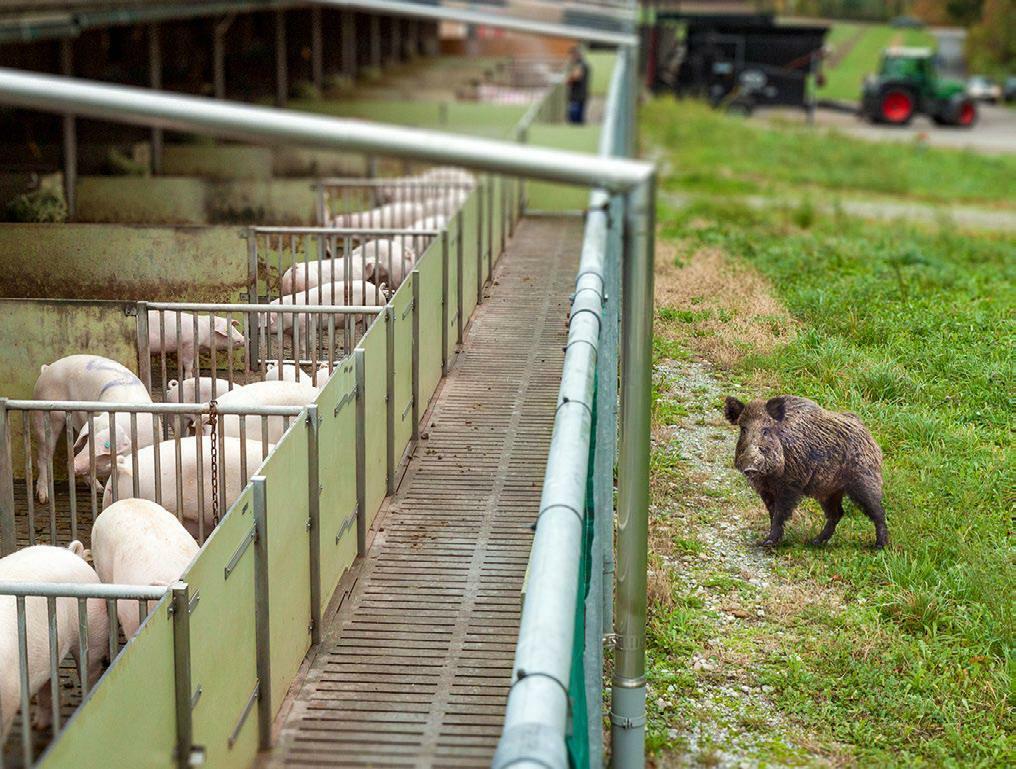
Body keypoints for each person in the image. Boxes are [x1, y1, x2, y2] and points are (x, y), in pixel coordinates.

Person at [566, 46, 590, 125]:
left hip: (577, 97)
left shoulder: (580, 65)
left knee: (575, 121)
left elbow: (575, 77)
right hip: (579, 96)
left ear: (576, 55)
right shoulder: (582, 64)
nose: (570, 58)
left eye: (572, 55)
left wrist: (568, 79)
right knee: (577, 120)